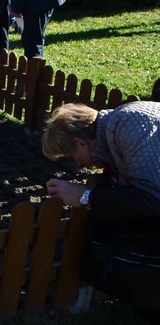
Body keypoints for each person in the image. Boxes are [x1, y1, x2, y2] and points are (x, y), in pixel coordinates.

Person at [43, 102, 160, 311]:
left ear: (81, 143)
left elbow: (151, 198)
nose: (78, 165)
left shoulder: (127, 126)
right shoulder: (116, 128)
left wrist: (85, 196)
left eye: (71, 157)